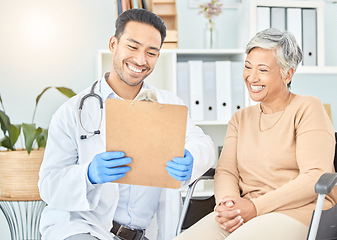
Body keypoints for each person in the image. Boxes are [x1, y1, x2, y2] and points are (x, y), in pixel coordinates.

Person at [38, 9, 215, 240]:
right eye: (132, 47)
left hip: (143, 235)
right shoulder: (73, 111)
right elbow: (48, 185)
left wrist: (192, 159)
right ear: (113, 44)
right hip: (82, 228)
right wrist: (88, 174)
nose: (141, 60)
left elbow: (204, 144)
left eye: (151, 52)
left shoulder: (169, 105)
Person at [174, 28, 337, 240]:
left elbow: (314, 176)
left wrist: (255, 206)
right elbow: (226, 171)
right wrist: (228, 204)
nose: (251, 77)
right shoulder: (240, 119)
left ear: (287, 74)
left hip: (302, 210)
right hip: (247, 210)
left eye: (262, 70)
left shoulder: (308, 108)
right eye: (247, 67)